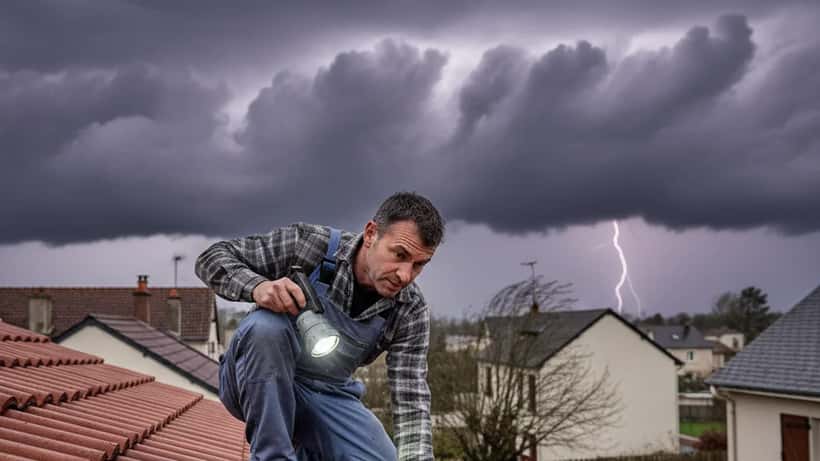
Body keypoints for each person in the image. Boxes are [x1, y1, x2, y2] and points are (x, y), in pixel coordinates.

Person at [196, 192, 444, 460]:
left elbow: (411, 402)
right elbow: (211, 258)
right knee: (265, 328)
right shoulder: (308, 245)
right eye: (399, 254)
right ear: (371, 234)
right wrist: (258, 287)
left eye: (419, 265)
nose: (405, 275)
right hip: (254, 379)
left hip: (327, 393)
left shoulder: (410, 308)